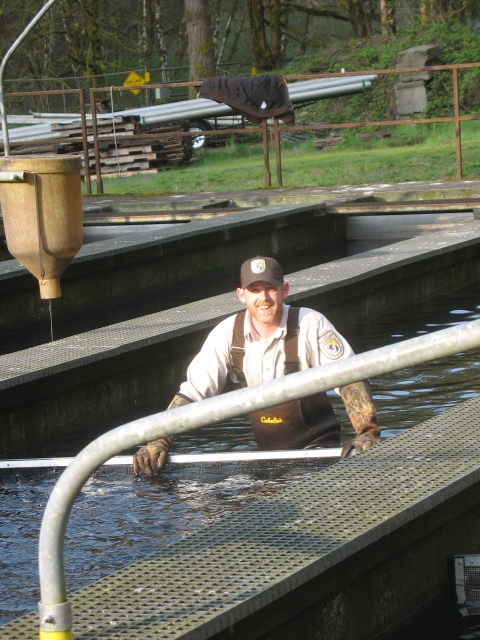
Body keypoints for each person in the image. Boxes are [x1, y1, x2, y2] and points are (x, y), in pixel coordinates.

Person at [133, 256, 380, 476]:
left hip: (319, 453)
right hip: (268, 459)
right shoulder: (227, 334)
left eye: (271, 289)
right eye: (255, 290)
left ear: (284, 290)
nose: (264, 298)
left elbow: (350, 377)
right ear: (241, 295)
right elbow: (191, 393)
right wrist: (159, 440)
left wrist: (367, 431)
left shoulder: (311, 324)